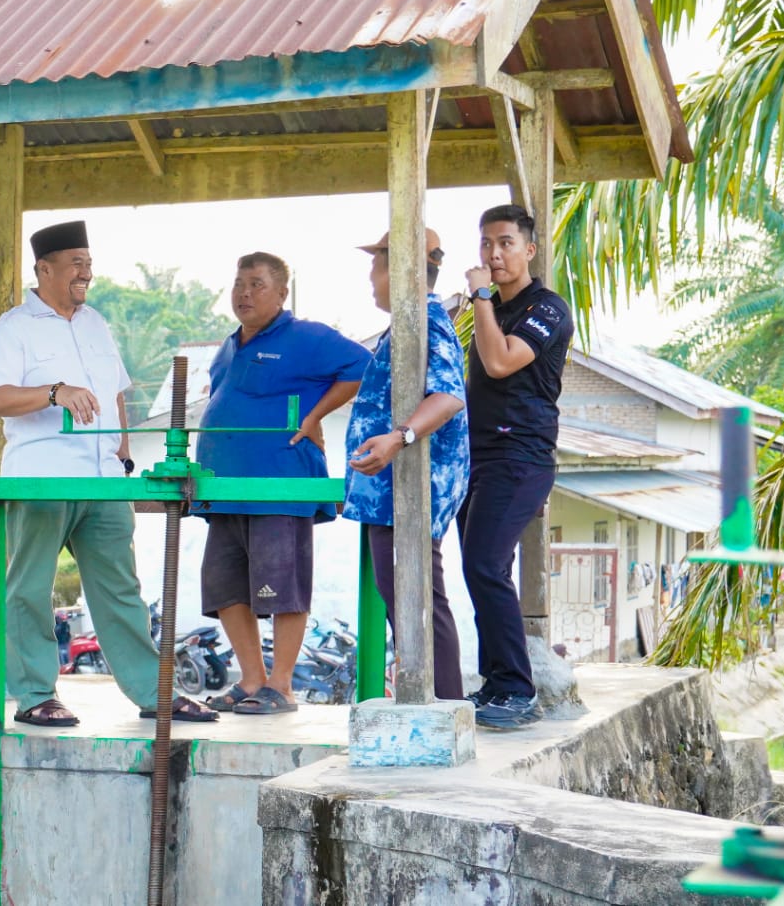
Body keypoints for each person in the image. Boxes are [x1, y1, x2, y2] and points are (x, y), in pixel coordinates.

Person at [0, 220, 218, 727]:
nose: (86, 273)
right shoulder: (14, 327)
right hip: (42, 477)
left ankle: (155, 693)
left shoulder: (96, 324)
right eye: (76, 264)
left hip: (105, 478)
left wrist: (123, 457)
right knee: (29, 589)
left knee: (121, 589)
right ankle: (35, 695)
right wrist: (53, 392)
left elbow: (115, 396)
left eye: (88, 264)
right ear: (44, 269)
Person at [194, 252, 370, 715]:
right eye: (239, 284)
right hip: (225, 488)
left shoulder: (306, 336)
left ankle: (283, 685)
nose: (244, 293)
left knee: (283, 587)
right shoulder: (229, 345)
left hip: (280, 484)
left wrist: (315, 415)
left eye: (256, 284)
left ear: (281, 294)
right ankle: (252, 680)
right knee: (225, 588)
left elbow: (365, 366)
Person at [460, 204, 575, 729]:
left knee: (484, 564)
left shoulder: (547, 308)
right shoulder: (491, 309)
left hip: (520, 456)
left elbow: (501, 361)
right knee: (482, 569)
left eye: (505, 243)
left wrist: (481, 297)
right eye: (486, 243)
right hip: (478, 455)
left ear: (529, 250)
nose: (494, 253)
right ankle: (496, 683)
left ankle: (516, 690)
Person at [342, 229, 469, 701]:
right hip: (390, 489)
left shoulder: (426, 320)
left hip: (410, 487)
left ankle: (443, 706)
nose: (370, 278)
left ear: (397, 268)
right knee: (406, 597)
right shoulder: (409, 322)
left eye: (375, 265)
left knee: (417, 599)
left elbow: (448, 395)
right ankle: (435, 703)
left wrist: (399, 438)